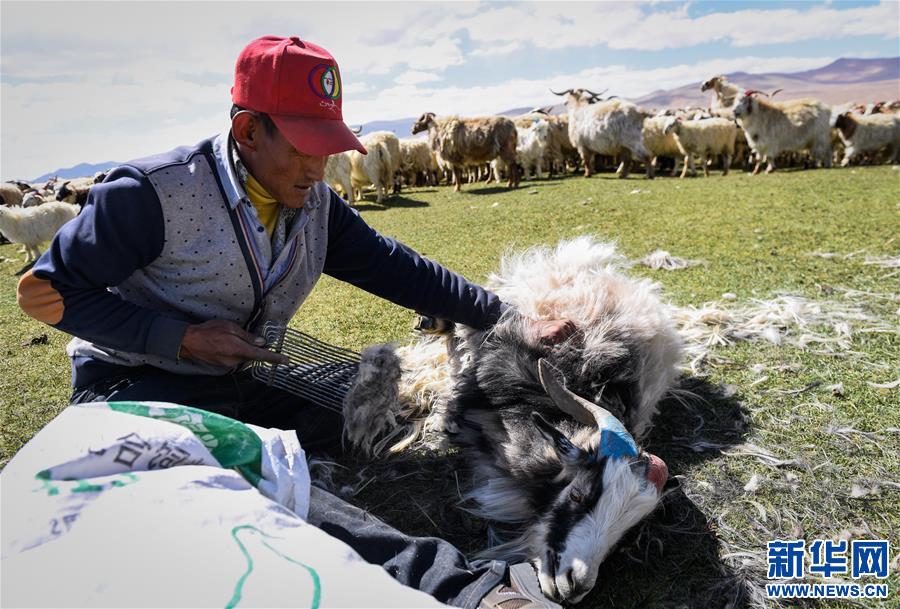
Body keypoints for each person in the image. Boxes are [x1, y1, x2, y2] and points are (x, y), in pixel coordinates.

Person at [17, 35, 574, 609]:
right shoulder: (151, 194)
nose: (318, 167)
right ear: (248, 132)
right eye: (304, 147)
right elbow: (43, 292)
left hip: (241, 377)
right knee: (246, 476)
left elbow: (395, 268)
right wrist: (179, 338)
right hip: (139, 384)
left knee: (366, 404)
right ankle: (464, 589)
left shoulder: (315, 203)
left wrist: (509, 317)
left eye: (327, 147)